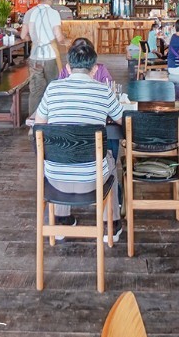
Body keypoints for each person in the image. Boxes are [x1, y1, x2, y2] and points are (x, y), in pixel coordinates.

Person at [35, 40, 123, 241]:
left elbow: (39, 125)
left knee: (61, 154)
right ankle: (110, 225)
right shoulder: (104, 91)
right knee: (110, 159)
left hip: (55, 180)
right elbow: (122, 120)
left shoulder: (52, 89)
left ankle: (60, 221)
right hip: (92, 180)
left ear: (68, 67)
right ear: (94, 69)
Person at [21, 0, 66, 115]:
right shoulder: (53, 13)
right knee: (53, 87)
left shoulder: (30, 12)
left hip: (35, 57)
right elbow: (59, 37)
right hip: (50, 56)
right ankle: (52, 117)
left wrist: (35, 40)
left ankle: (33, 120)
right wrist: (65, 40)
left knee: (36, 90)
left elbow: (24, 36)